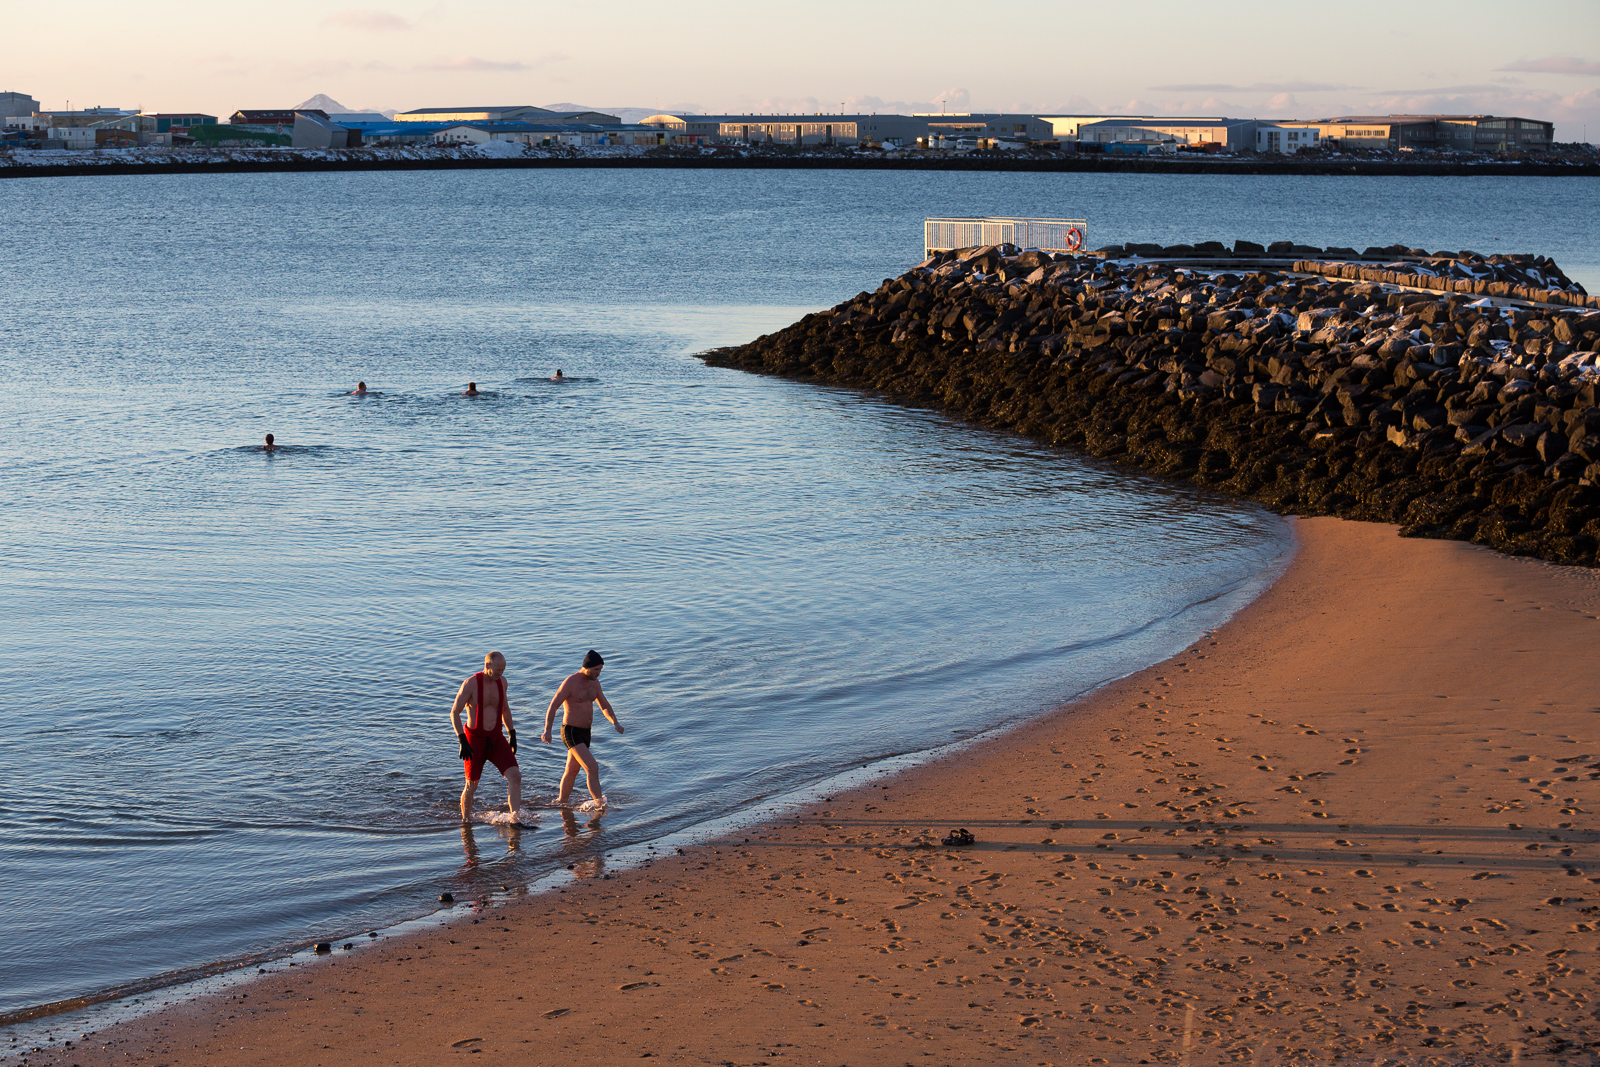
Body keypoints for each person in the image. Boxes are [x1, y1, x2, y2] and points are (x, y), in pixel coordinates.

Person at [541, 649, 622, 807]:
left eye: (601, 670)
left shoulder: (595, 684)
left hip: (586, 733)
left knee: (572, 770)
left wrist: (615, 722)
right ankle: (600, 805)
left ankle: (561, 803)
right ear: (587, 667)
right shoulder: (570, 682)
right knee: (592, 767)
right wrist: (548, 730)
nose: (599, 673)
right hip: (570, 731)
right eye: (596, 670)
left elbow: (604, 705)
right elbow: (553, 706)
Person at [451, 651, 523, 822]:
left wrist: (512, 733)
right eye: (497, 670)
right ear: (487, 666)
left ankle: (515, 819)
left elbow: (505, 709)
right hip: (474, 739)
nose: (500, 674)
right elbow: (454, 713)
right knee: (472, 784)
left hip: (496, 737)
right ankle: (466, 822)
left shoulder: (503, 682)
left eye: (503, 670)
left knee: (515, 776)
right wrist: (462, 740)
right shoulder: (471, 684)